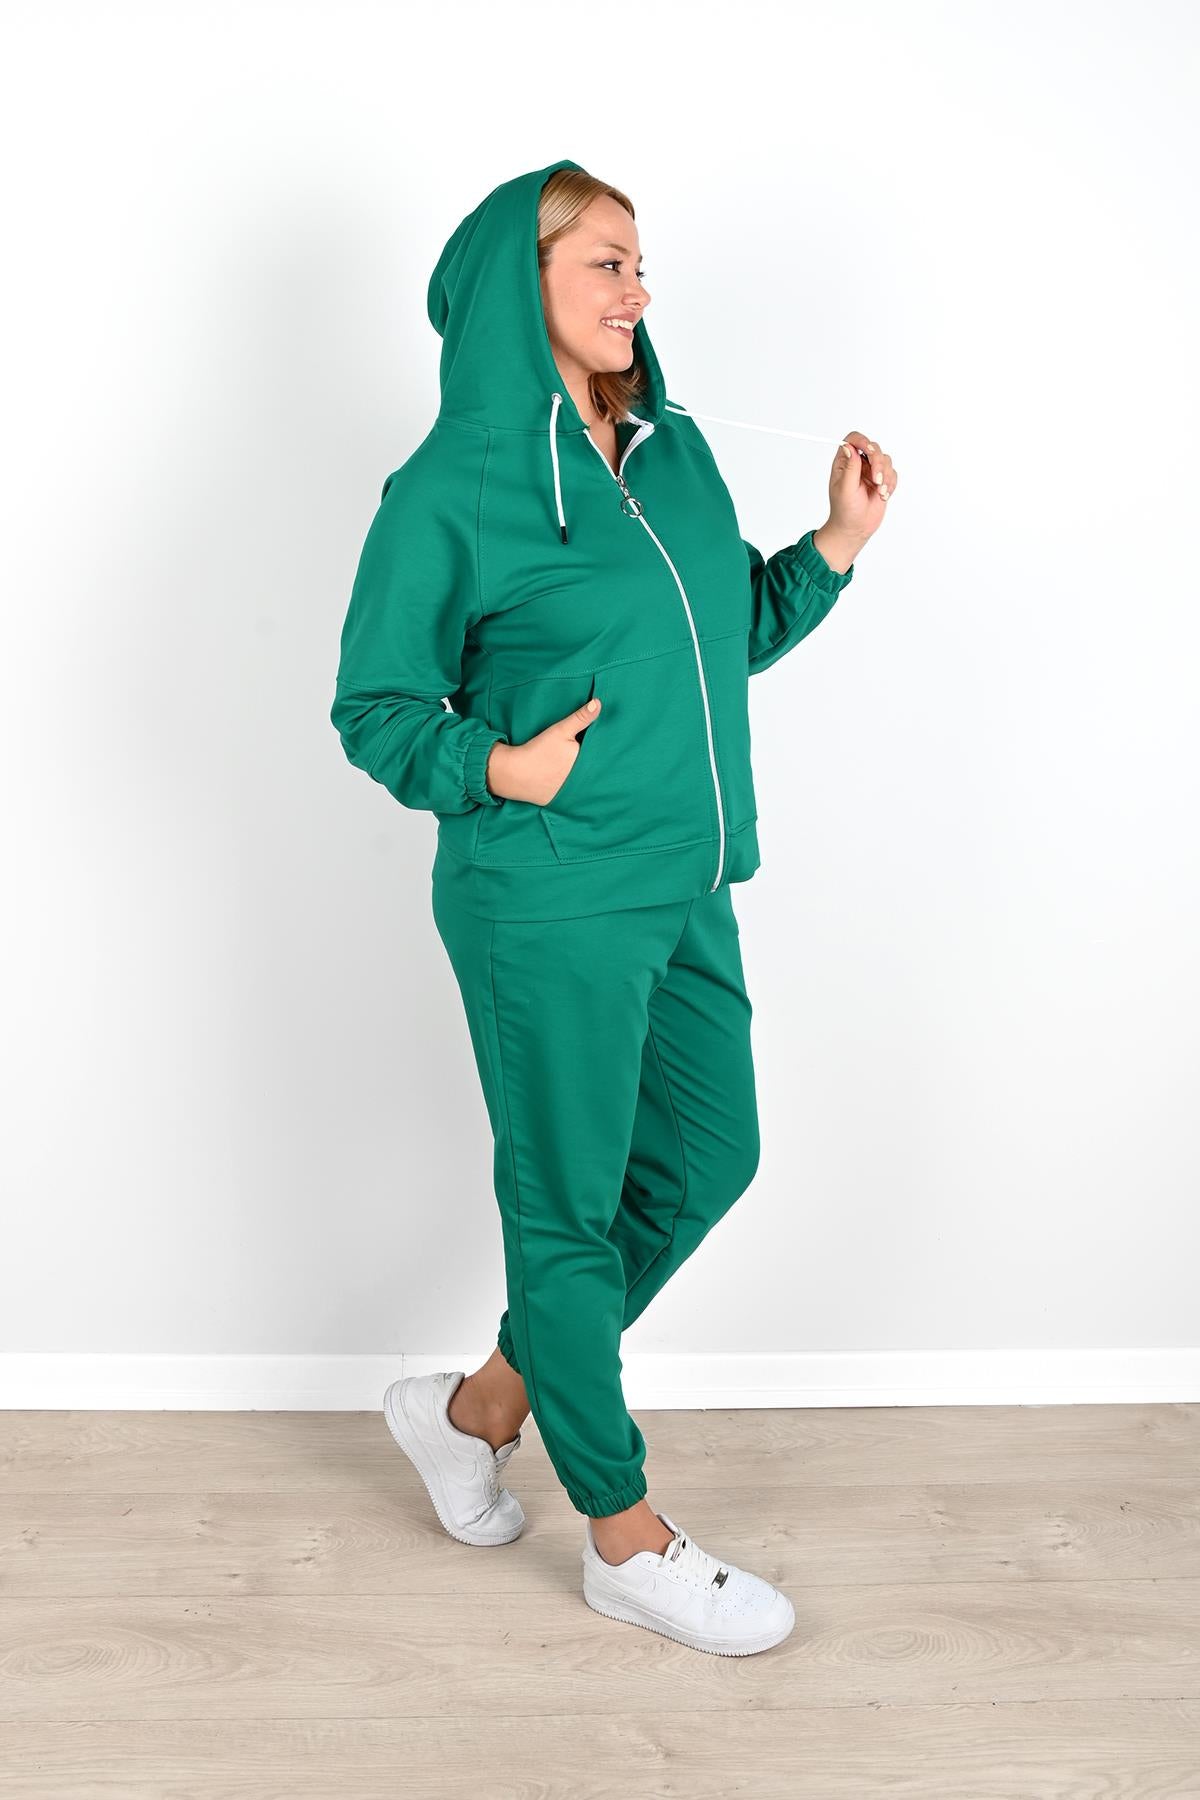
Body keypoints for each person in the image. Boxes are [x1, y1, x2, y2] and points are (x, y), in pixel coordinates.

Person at [331, 157, 896, 1656]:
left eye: (640, 265)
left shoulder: (673, 450)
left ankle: (476, 1410)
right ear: (518, 287)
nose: (638, 291)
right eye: (604, 262)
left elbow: (720, 637)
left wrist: (833, 548)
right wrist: (498, 765)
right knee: (565, 1215)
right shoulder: (451, 487)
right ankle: (624, 1534)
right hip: (545, 896)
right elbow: (374, 708)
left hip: (684, 879)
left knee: (712, 1155)